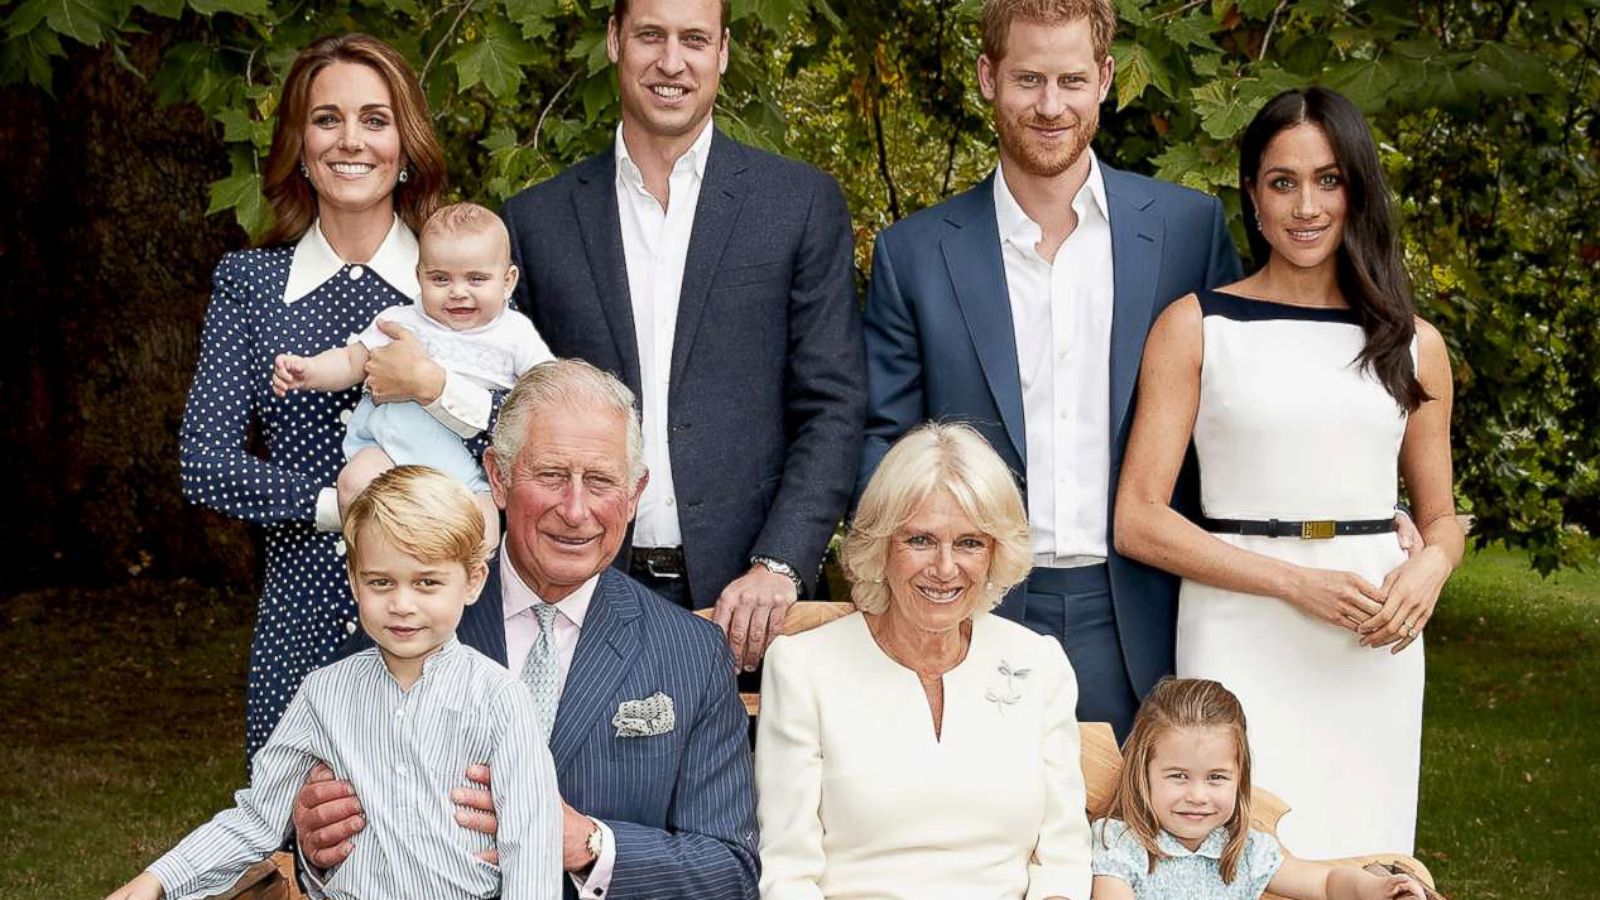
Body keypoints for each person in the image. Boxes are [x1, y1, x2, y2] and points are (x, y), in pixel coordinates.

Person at [858, 0, 1241, 740]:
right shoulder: (915, 255)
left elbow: (1235, 416)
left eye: (1070, 79)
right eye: (1028, 79)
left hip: (1151, 604)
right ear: (987, 78)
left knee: (1155, 847)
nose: (1050, 105)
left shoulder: (1186, 232)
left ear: (1103, 78)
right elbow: (885, 441)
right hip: (976, 606)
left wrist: (1336, 523)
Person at [1113, 87, 1463, 858]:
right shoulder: (1197, 326)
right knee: (1233, 852)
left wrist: (1432, 567)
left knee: (1365, 852)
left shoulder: (1413, 345)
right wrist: (1294, 582)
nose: (1307, 206)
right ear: (1252, 192)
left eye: (1329, 180)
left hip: (1373, 641)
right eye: (1283, 182)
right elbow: (1138, 518)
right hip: (1238, 625)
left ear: (1358, 189)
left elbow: (1442, 517)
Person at [294, 360, 759, 900]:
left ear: (635, 495)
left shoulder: (690, 654)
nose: (575, 509)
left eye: (602, 481)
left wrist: (587, 844)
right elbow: (313, 821)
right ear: (497, 476)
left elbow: (729, 871)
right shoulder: (410, 615)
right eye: (551, 476)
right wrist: (314, 845)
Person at [499, 0, 865, 672]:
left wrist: (781, 561)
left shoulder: (798, 205)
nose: (672, 61)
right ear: (614, 40)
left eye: (694, 38)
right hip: (579, 592)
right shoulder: (535, 223)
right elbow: (510, 417)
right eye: (650, 36)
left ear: (722, 51)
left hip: (749, 605)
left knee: (743, 782)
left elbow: (834, 404)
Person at [179, 33, 496, 761]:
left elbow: (516, 439)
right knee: (309, 839)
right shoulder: (251, 286)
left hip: (454, 612)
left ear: (407, 143)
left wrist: (436, 386)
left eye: (375, 119)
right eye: (327, 119)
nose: (351, 140)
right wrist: (342, 506)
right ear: (298, 141)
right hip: (306, 611)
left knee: (456, 841)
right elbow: (203, 462)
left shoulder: (465, 282)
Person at [105, 466, 562, 900]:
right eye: (381, 582)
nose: (402, 604)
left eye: (427, 582)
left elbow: (531, 841)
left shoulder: (500, 698)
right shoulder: (324, 693)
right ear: (353, 580)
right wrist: (160, 878)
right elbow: (258, 817)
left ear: (472, 581)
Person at [757, 422, 1093, 900]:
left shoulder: (1038, 664)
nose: (945, 568)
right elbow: (787, 873)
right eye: (920, 540)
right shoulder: (803, 667)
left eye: (970, 543)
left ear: (997, 552)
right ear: (881, 544)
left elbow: (1064, 861)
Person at [273, 202, 555, 546]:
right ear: (418, 276)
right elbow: (351, 362)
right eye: (440, 279)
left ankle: (462, 592)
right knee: (355, 480)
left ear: (508, 281)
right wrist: (310, 370)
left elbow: (547, 389)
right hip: (389, 455)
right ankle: (376, 562)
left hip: (466, 472)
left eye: (477, 279)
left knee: (487, 532)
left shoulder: (515, 334)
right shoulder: (401, 320)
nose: (458, 291)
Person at [1090, 678, 1425, 900]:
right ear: (1142, 773)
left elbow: (1325, 883)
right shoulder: (1121, 846)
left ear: (1240, 777)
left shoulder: (1243, 851)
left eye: (1216, 778)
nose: (1197, 795)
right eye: (1178, 776)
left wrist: (1376, 889)